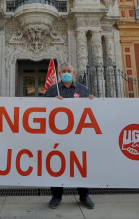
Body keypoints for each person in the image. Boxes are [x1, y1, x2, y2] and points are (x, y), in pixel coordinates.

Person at [43, 62, 95, 209]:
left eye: (68, 71)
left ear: (73, 73)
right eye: (63, 71)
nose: (66, 73)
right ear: (59, 74)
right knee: (57, 163)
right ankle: (56, 195)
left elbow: (89, 110)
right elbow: (41, 109)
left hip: (78, 135)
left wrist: (92, 101)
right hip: (57, 135)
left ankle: (84, 194)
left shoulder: (82, 90)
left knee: (79, 164)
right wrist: (52, 102)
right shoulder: (52, 90)